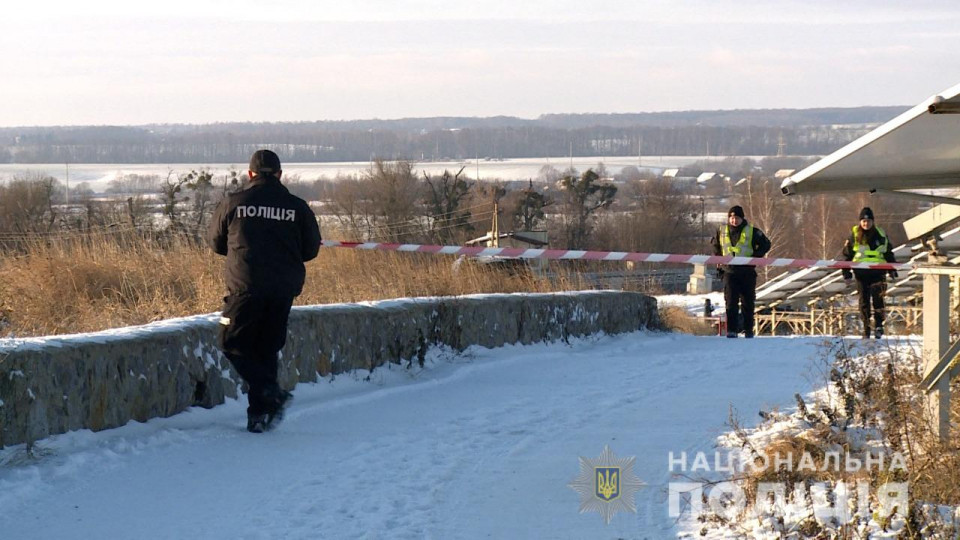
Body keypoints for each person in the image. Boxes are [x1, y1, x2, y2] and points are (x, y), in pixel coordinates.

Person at [207, 149, 322, 432]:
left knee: (229, 341)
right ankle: (259, 415)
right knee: (267, 348)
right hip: (283, 289)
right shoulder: (297, 207)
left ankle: (271, 394)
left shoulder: (234, 203)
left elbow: (215, 243)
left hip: (245, 287)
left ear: (250, 174)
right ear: (280, 174)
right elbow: (310, 249)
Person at [711, 205, 772, 338]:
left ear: (742, 218)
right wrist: (718, 258)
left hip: (747, 272)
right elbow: (715, 246)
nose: (734, 220)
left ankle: (748, 330)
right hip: (729, 272)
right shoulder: (721, 231)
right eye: (732, 218)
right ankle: (731, 331)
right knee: (731, 303)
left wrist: (755, 257)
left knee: (747, 303)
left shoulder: (752, 231)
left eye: (737, 218)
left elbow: (766, 244)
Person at [841, 207, 897, 339]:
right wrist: (846, 274)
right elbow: (847, 256)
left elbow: (888, 253)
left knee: (879, 299)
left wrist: (892, 269)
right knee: (864, 301)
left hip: (878, 272)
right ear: (860, 222)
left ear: (873, 221)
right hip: (861, 274)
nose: (866, 223)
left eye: (869, 221)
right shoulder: (854, 236)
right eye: (864, 221)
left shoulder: (881, 235)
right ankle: (866, 328)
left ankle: (878, 326)